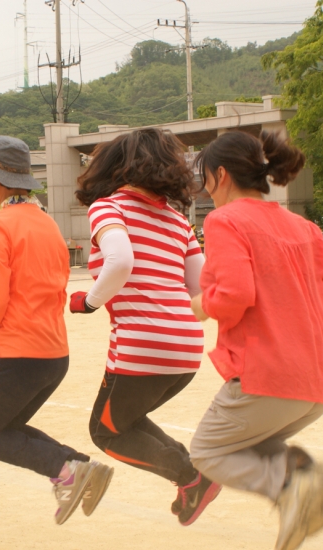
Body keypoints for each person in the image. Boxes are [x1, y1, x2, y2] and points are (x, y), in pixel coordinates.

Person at [189, 130, 323, 550]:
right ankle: (300, 472)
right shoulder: (300, 225)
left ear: (220, 175)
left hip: (267, 376)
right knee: (250, 444)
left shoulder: (225, 220)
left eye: (206, 178)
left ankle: (291, 485)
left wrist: (202, 305)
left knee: (208, 453)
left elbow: (235, 294)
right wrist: (293, 316)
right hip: (316, 381)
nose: (207, 191)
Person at [0, 135, 114, 525]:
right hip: (53, 354)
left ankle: (68, 470)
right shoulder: (47, 223)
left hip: (18, 353)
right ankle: (78, 466)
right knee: (7, 426)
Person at [70, 127, 221, 526]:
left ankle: (191, 475)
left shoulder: (109, 207)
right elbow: (200, 287)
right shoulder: (177, 221)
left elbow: (120, 261)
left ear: (114, 166)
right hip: (188, 347)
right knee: (127, 421)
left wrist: (88, 301)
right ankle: (193, 478)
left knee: (105, 433)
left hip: (141, 346)